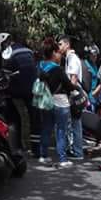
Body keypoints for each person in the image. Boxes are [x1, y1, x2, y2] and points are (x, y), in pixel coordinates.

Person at [0, 32, 40, 156]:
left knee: (13, 116)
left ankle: (17, 145)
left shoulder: (7, 54)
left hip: (16, 89)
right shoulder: (28, 50)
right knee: (34, 118)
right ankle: (36, 150)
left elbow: (4, 74)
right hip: (33, 89)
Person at [38, 37, 77, 168]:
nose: (61, 56)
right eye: (59, 53)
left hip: (45, 101)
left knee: (46, 128)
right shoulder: (57, 69)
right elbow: (69, 85)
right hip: (60, 102)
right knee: (61, 130)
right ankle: (62, 159)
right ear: (54, 53)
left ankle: (43, 156)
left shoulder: (40, 66)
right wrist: (75, 88)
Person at [57, 35, 84, 160]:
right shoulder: (69, 58)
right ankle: (74, 149)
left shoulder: (72, 59)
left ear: (67, 45)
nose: (59, 47)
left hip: (74, 96)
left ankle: (78, 152)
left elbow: (73, 80)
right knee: (73, 123)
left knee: (75, 124)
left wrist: (67, 95)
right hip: (73, 95)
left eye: (60, 44)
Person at [82, 44, 100, 111]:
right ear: (89, 55)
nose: (95, 57)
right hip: (87, 95)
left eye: (96, 56)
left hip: (94, 95)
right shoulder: (85, 64)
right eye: (93, 55)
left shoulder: (95, 66)